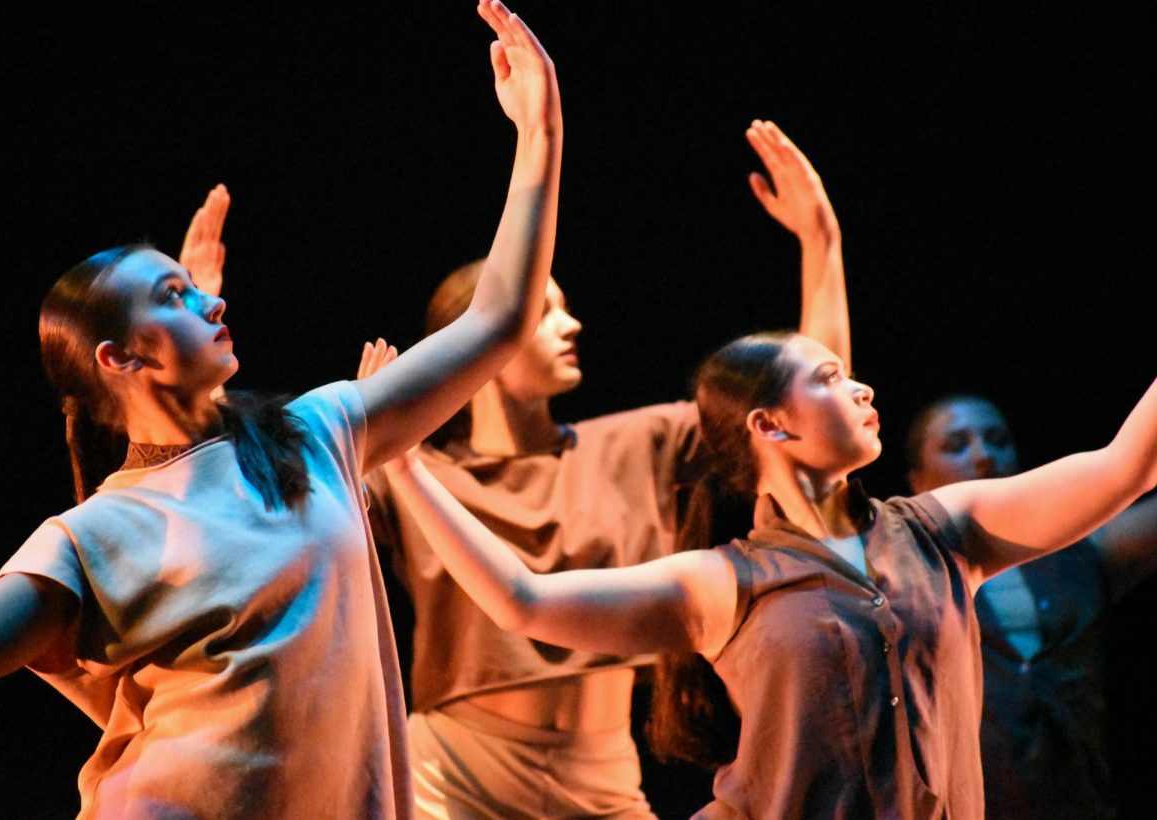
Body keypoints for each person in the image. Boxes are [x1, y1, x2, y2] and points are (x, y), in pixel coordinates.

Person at [0, 2, 561, 816]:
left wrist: (539, 137)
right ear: (120, 359)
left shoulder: (317, 434)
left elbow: (497, 319)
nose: (210, 304)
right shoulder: (92, 538)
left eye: (199, 287)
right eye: (176, 296)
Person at [370, 329, 1157, 817]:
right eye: (829, 375)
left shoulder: (942, 531)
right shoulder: (725, 583)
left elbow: (1125, 466)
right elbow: (522, 600)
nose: (863, 386)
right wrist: (405, 465)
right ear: (770, 424)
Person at [362, 120, 849, 817]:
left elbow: (806, 411)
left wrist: (821, 242)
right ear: (479, 333)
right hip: (455, 773)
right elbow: (261, 490)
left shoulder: (635, 443)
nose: (572, 325)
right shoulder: (413, 468)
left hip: (601, 769)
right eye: (544, 310)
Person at [906, 394, 1157, 819]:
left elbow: (1128, 470)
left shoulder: (1078, 555)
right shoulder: (903, 572)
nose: (984, 456)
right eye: (956, 445)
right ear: (917, 481)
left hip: (1077, 801)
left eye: (997, 439)